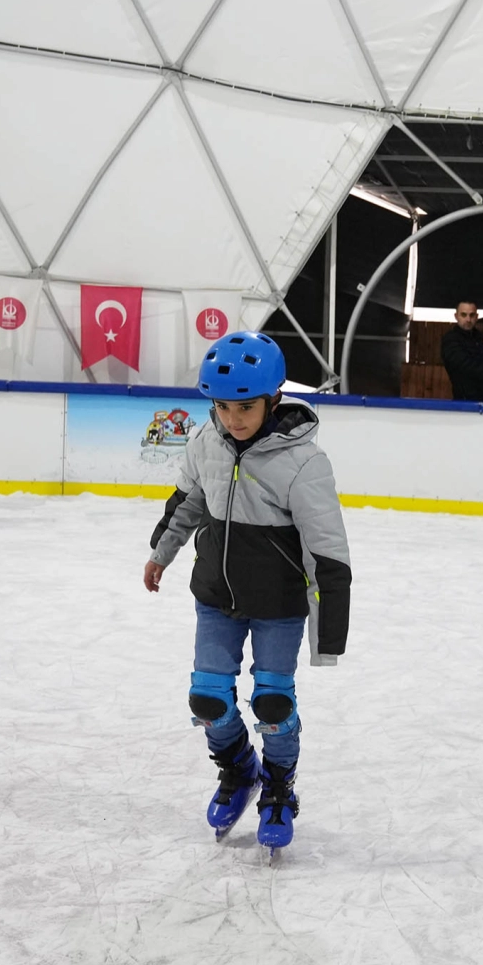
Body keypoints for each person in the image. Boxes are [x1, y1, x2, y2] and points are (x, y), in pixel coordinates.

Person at [144, 331, 351, 854]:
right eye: (221, 406)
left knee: (274, 703)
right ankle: (239, 769)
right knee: (207, 699)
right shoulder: (204, 442)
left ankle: (279, 786)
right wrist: (160, 553)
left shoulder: (304, 462)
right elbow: (187, 502)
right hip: (216, 596)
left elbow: (326, 549)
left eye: (245, 406)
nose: (232, 418)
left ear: (273, 398)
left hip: (278, 606)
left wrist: (327, 634)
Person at [440, 299, 483, 401]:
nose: (468, 319)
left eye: (472, 315)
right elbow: (468, 365)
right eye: (464, 315)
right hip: (467, 403)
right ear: (456, 316)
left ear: (477, 317)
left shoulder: (481, 337)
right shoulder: (450, 340)